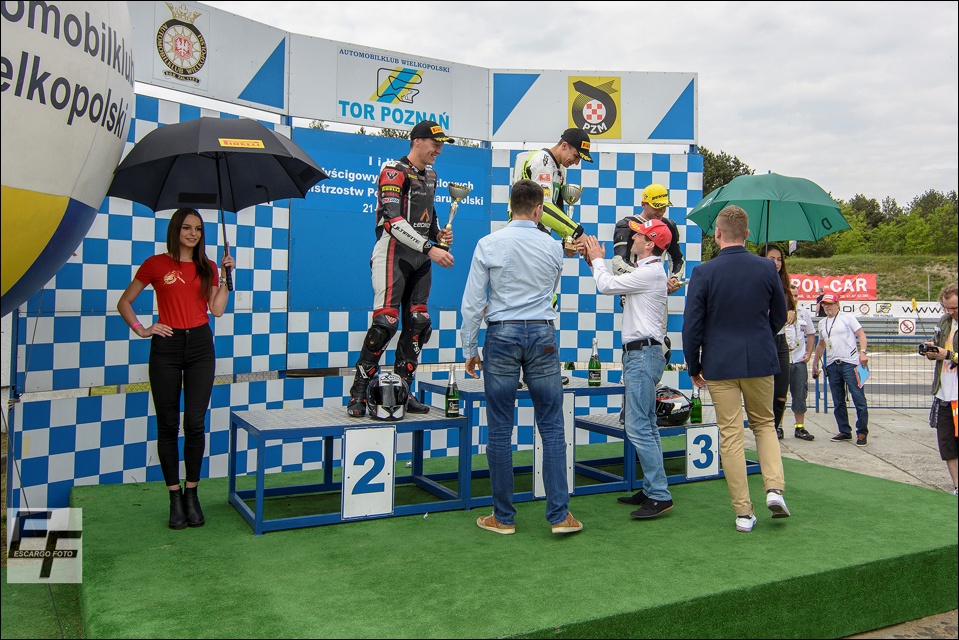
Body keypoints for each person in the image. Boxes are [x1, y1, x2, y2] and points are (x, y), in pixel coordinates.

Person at [461, 179, 582, 535]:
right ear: (539, 209)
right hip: (543, 333)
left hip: (501, 334)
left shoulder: (488, 243)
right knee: (552, 426)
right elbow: (550, 291)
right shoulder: (553, 247)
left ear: (511, 207)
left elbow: (472, 303)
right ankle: (559, 516)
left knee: (500, 428)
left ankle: (503, 518)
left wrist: (470, 348)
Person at [116, 208, 234, 530]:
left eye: (198, 229)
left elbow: (217, 310)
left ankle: (191, 493)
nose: (193, 234)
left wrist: (226, 277)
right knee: (167, 425)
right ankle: (174, 498)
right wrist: (142, 329)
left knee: (194, 423)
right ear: (175, 230)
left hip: (200, 346)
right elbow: (124, 302)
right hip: (165, 347)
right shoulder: (156, 264)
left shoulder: (208, 266)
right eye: (186, 228)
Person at [682, 205, 790, 533]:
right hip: (760, 359)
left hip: (719, 363)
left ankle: (744, 513)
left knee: (730, 434)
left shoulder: (703, 272)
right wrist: (761, 337)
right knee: (765, 425)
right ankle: (774, 489)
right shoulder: (766, 267)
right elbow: (780, 314)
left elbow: (692, 326)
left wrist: (694, 364)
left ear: (717, 234)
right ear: (747, 234)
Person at [346, 120, 455, 417]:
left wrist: (438, 235)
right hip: (392, 253)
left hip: (420, 257)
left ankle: (403, 391)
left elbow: (429, 213)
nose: (439, 150)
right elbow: (392, 220)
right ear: (417, 141)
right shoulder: (393, 171)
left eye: (441, 145)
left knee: (419, 323)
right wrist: (429, 247)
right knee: (386, 324)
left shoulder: (431, 175)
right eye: (435, 144)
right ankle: (359, 393)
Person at [579, 219, 675, 519]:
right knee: (647, 424)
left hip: (643, 355)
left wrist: (597, 260)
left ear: (650, 244)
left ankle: (659, 494)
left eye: (639, 235)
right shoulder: (648, 271)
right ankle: (653, 488)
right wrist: (594, 262)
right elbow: (611, 280)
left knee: (637, 426)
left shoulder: (649, 272)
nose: (632, 237)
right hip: (644, 353)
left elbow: (607, 285)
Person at [511, 127, 592, 255]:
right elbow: (545, 208)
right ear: (564, 146)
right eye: (576, 156)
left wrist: (568, 240)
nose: (577, 162)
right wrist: (577, 232)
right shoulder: (542, 162)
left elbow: (555, 210)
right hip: (523, 236)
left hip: (538, 237)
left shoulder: (560, 169)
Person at [811, 294, 870, 446]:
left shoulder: (847, 318)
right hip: (832, 364)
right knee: (838, 400)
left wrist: (863, 352)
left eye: (830, 304)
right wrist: (815, 363)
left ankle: (862, 431)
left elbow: (861, 335)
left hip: (850, 363)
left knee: (858, 398)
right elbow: (821, 344)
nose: (827, 307)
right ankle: (844, 430)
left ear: (837, 304)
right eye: (824, 304)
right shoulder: (822, 323)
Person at [612, 184, 685, 295]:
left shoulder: (668, 225)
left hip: (657, 290)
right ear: (643, 204)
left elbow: (677, 258)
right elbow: (619, 264)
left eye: (664, 206)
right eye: (656, 207)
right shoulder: (627, 225)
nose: (661, 211)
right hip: (633, 290)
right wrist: (652, 280)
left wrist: (674, 278)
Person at [921, 283, 958, 495]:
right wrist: (931, 350)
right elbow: (938, 345)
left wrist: (949, 355)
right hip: (943, 393)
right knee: (947, 443)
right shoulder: (944, 321)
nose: (950, 312)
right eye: (947, 308)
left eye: (954, 308)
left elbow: (949, 354)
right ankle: (957, 486)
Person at [758, 244, 795, 440]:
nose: (777, 263)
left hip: (781, 341)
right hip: (762, 340)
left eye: (779, 259)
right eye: (772, 258)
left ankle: (773, 430)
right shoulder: (755, 282)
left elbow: (789, 309)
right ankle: (763, 431)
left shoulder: (784, 285)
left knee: (781, 392)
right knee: (762, 390)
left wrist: (792, 311)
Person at [784, 282, 817, 441]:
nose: (795, 299)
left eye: (797, 295)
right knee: (779, 396)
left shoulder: (803, 313)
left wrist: (808, 353)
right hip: (782, 361)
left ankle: (799, 427)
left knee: (800, 394)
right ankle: (778, 426)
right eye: (792, 296)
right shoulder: (778, 312)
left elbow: (811, 334)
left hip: (798, 360)